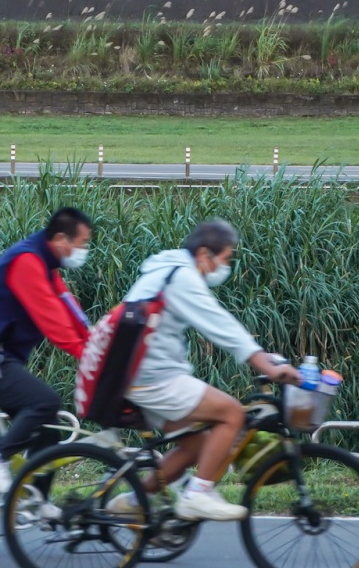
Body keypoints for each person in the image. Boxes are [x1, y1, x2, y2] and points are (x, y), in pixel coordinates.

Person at [115, 220, 300, 522]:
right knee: (231, 413)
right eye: (226, 258)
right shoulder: (182, 277)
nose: (226, 266)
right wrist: (261, 361)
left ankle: (136, 500)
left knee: (194, 445)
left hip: (139, 373)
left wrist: (260, 355)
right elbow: (218, 323)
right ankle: (198, 494)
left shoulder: (168, 268)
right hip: (150, 377)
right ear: (204, 253)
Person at [0, 207, 93, 494]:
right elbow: (53, 321)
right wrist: (92, 359)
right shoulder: (27, 262)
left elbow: (71, 312)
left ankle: (37, 503)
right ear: (60, 239)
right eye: (81, 244)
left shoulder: (47, 266)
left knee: (49, 431)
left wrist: (97, 346)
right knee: (44, 402)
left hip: (0, 359)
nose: (83, 250)